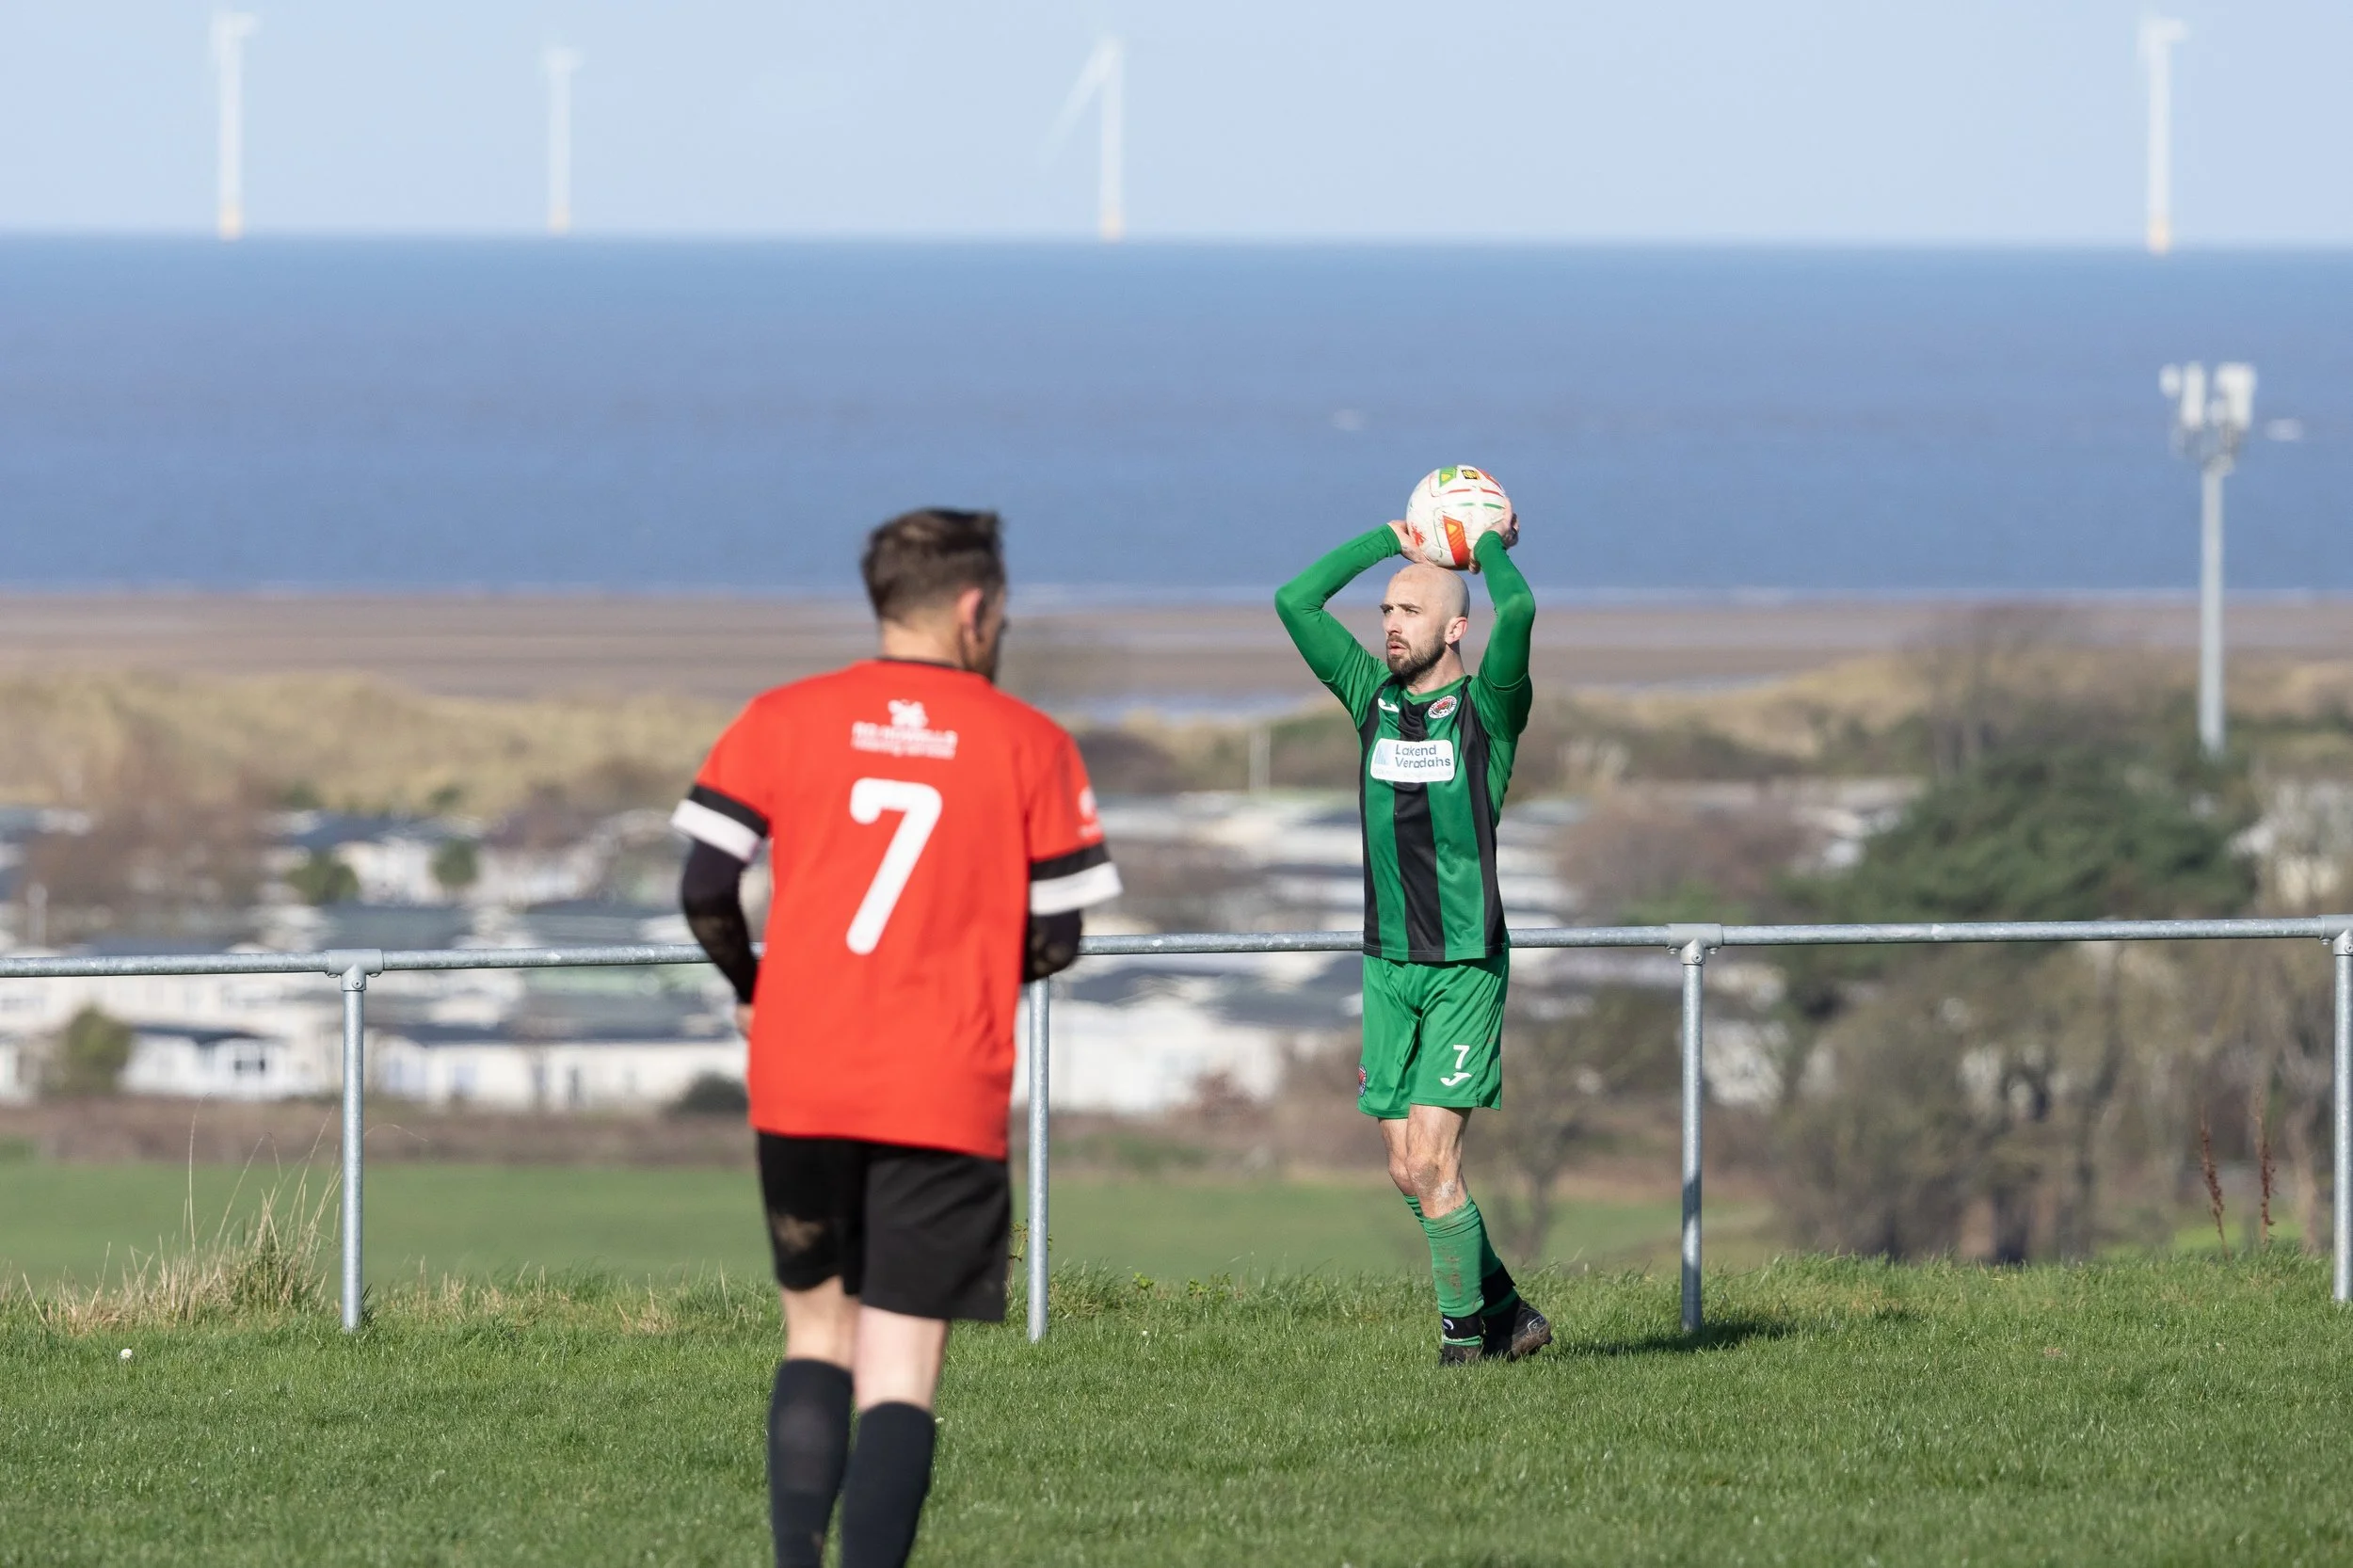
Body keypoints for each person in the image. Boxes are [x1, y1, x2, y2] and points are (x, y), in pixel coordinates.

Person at [673, 508, 1120, 1568]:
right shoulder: (1029, 742)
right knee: (902, 1363)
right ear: (975, 608)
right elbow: (1057, 937)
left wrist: (755, 983)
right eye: (1001, 611)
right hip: (941, 1088)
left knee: (816, 1331)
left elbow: (704, 889)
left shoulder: (781, 717)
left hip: (800, 1074)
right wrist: (961, 972)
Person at [1273, 513, 1550, 1366]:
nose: (1390, 623)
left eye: (1409, 611)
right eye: (1386, 611)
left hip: (1464, 965)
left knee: (1434, 1158)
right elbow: (1294, 600)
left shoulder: (1489, 711)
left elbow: (1524, 611)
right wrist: (1385, 540)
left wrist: (1484, 544)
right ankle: (1505, 1309)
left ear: (1454, 628)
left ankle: (1463, 1346)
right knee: (1408, 1169)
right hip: (1387, 963)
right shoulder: (1372, 699)